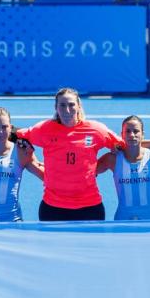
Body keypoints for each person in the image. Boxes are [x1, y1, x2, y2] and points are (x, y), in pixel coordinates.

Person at [14, 88, 127, 221]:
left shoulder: (96, 130)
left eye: (71, 105)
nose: (67, 110)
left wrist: (115, 150)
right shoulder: (44, 129)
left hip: (89, 207)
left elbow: (124, 145)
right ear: (56, 107)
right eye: (62, 105)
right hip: (53, 208)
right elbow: (12, 135)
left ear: (79, 106)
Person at [95, 115, 150, 220]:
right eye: (127, 131)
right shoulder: (112, 159)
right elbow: (87, 172)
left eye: (136, 131)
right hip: (123, 219)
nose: (132, 135)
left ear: (143, 135)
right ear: (122, 135)